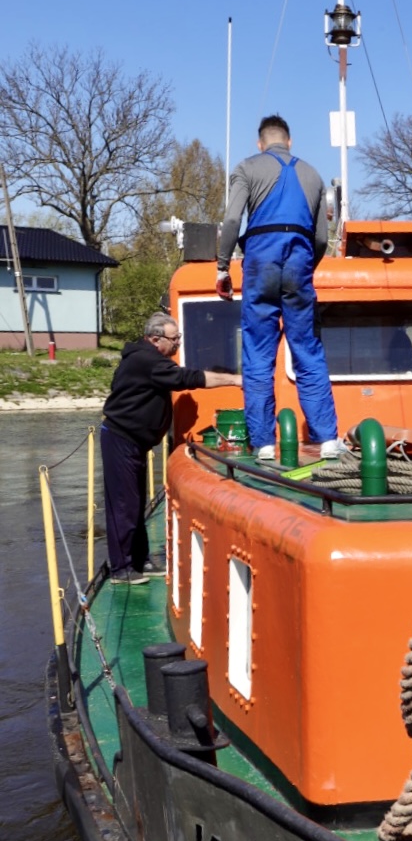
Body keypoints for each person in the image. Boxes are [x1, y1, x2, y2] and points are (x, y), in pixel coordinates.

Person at [216, 114, 344, 461]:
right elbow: (321, 238)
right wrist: (304, 268)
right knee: (307, 348)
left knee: (259, 352)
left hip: (260, 260)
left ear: (261, 143)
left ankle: (264, 444)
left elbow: (231, 220)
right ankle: (328, 440)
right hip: (300, 258)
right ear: (289, 141)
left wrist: (223, 266)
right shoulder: (314, 175)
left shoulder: (247, 168)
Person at [101, 313, 242, 585]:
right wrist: (234, 380)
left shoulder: (146, 358)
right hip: (122, 439)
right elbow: (188, 378)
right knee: (124, 505)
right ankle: (122, 569)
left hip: (134, 441)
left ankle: (139, 559)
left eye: (178, 338)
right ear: (156, 339)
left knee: (135, 502)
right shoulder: (148, 361)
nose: (177, 344)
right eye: (174, 339)